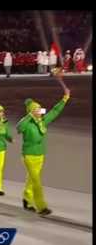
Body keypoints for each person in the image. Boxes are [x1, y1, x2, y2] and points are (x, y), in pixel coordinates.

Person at [16, 84, 70, 215]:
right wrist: (30, 114)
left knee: (32, 179)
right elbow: (19, 127)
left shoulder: (43, 121)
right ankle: (41, 207)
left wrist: (65, 98)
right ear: (31, 111)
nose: (40, 111)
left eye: (40, 108)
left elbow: (54, 111)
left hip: (40, 154)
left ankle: (26, 198)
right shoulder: (26, 123)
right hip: (28, 155)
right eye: (36, 109)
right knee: (36, 182)